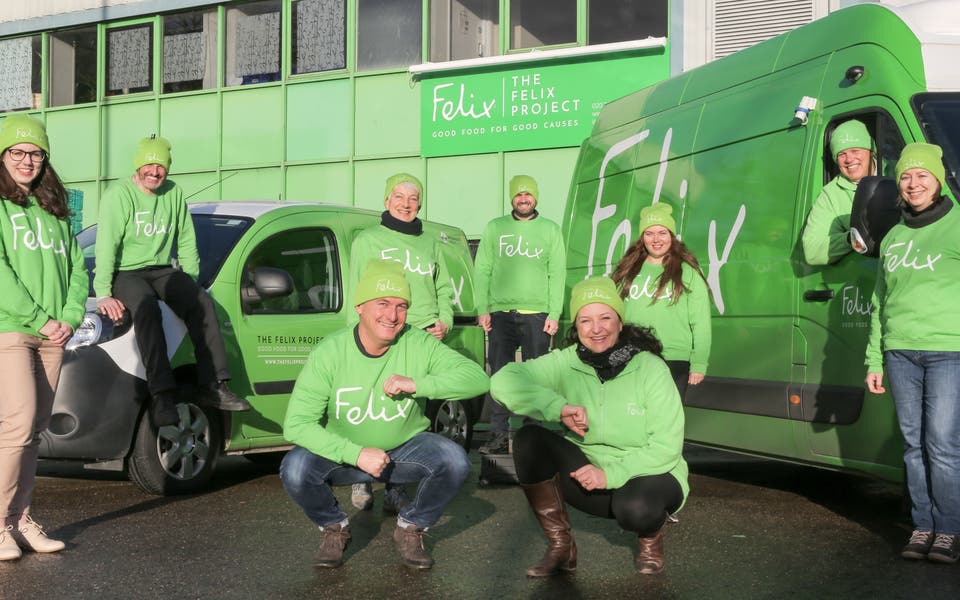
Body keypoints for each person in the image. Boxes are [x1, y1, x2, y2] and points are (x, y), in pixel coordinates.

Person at [280, 259, 488, 569]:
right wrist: (356, 452)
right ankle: (334, 527)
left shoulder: (417, 343)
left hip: (404, 450)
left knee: (455, 460)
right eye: (383, 303)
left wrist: (417, 383)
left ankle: (411, 527)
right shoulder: (329, 352)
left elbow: (477, 378)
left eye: (401, 306)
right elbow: (296, 425)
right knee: (295, 468)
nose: (392, 315)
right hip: (344, 453)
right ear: (360, 307)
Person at [490, 276, 689, 576]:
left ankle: (650, 537)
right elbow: (502, 381)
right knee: (529, 439)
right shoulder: (566, 362)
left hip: (650, 472)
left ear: (620, 322)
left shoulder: (650, 368)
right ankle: (561, 546)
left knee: (635, 509)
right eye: (585, 320)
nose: (596, 329)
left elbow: (666, 447)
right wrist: (558, 408)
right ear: (577, 326)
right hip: (589, 471)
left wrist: (609, 474)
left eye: (605, 317)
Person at [93, 135, 250, 428]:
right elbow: (106, 245)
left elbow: (187, 238)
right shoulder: (119, 196)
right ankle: (162, 396)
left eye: (161, 167)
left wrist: (188, 284)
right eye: (149, 166)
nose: (155, 172)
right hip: (126, 272)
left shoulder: (174, 193)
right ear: (138, 166)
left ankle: (215, 384)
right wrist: (103, 292)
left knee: (201, 301)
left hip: (163, 270)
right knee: (146, 308)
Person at [865, 142, 960, 564]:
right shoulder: (894, 236)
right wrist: (874, 359)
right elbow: (878, 304)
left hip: (948, 350)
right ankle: (923, 525)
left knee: (941, 445)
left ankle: (949, 529)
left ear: (938, 180)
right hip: (900, 352)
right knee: (912, 445)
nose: (913, 182)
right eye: (905, 176)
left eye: (922, 175)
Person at [0, 114, 88, 560]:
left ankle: (20, 518)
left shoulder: (55, 211)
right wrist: (39, 317)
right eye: (17, 152)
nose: (26, 161)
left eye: (35, 153)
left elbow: (77, 269)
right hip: (11, 328)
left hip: (54, 333)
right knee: (17, 423)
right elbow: (1, 274)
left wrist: (70, 317)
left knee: (34, 432)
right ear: (3, 156)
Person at [347, 173, 454, 511]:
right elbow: (356, 291)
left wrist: (444, 321)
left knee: (407, 413)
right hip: (379, 331)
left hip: (420, 333)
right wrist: (357, 336)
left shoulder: (431, 242)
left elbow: (444, 290)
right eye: (399, 196)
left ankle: (396, 486)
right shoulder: (368, 240)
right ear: (386, 200)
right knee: (371, 407)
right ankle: (362, 478)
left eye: (413, 198)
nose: (406, 204)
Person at [474, 175, 566, 455]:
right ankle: (498, 435)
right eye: (518, 195)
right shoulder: (495, 227)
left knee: (537, 376)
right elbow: (483, 269)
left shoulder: (550, 230)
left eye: (528, 195)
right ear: (511, 199)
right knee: (500, 376)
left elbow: (557, 273)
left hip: (538, 314)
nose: (523, 199)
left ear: (535, 198)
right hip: (501, 314)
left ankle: (533, 436)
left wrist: (555, 312)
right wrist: (483, 309)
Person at [611, 203, 711, 398]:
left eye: (662, 233)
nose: (656, 239)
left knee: (667, 421)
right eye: (649, 233)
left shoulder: (687, 272)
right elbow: (611, 314)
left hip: (673, 358)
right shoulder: (627, 270)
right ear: (642, 238)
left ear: (671, 236)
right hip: (633, 356)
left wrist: (699, 362)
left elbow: (701, 322)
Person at [802, 119, 877, 265]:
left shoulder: (900, 175)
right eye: (841, 154)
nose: (849, 159)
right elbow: (812, 251)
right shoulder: (831, 194)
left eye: (855, 150)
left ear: (871, 152)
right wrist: (853, 239)